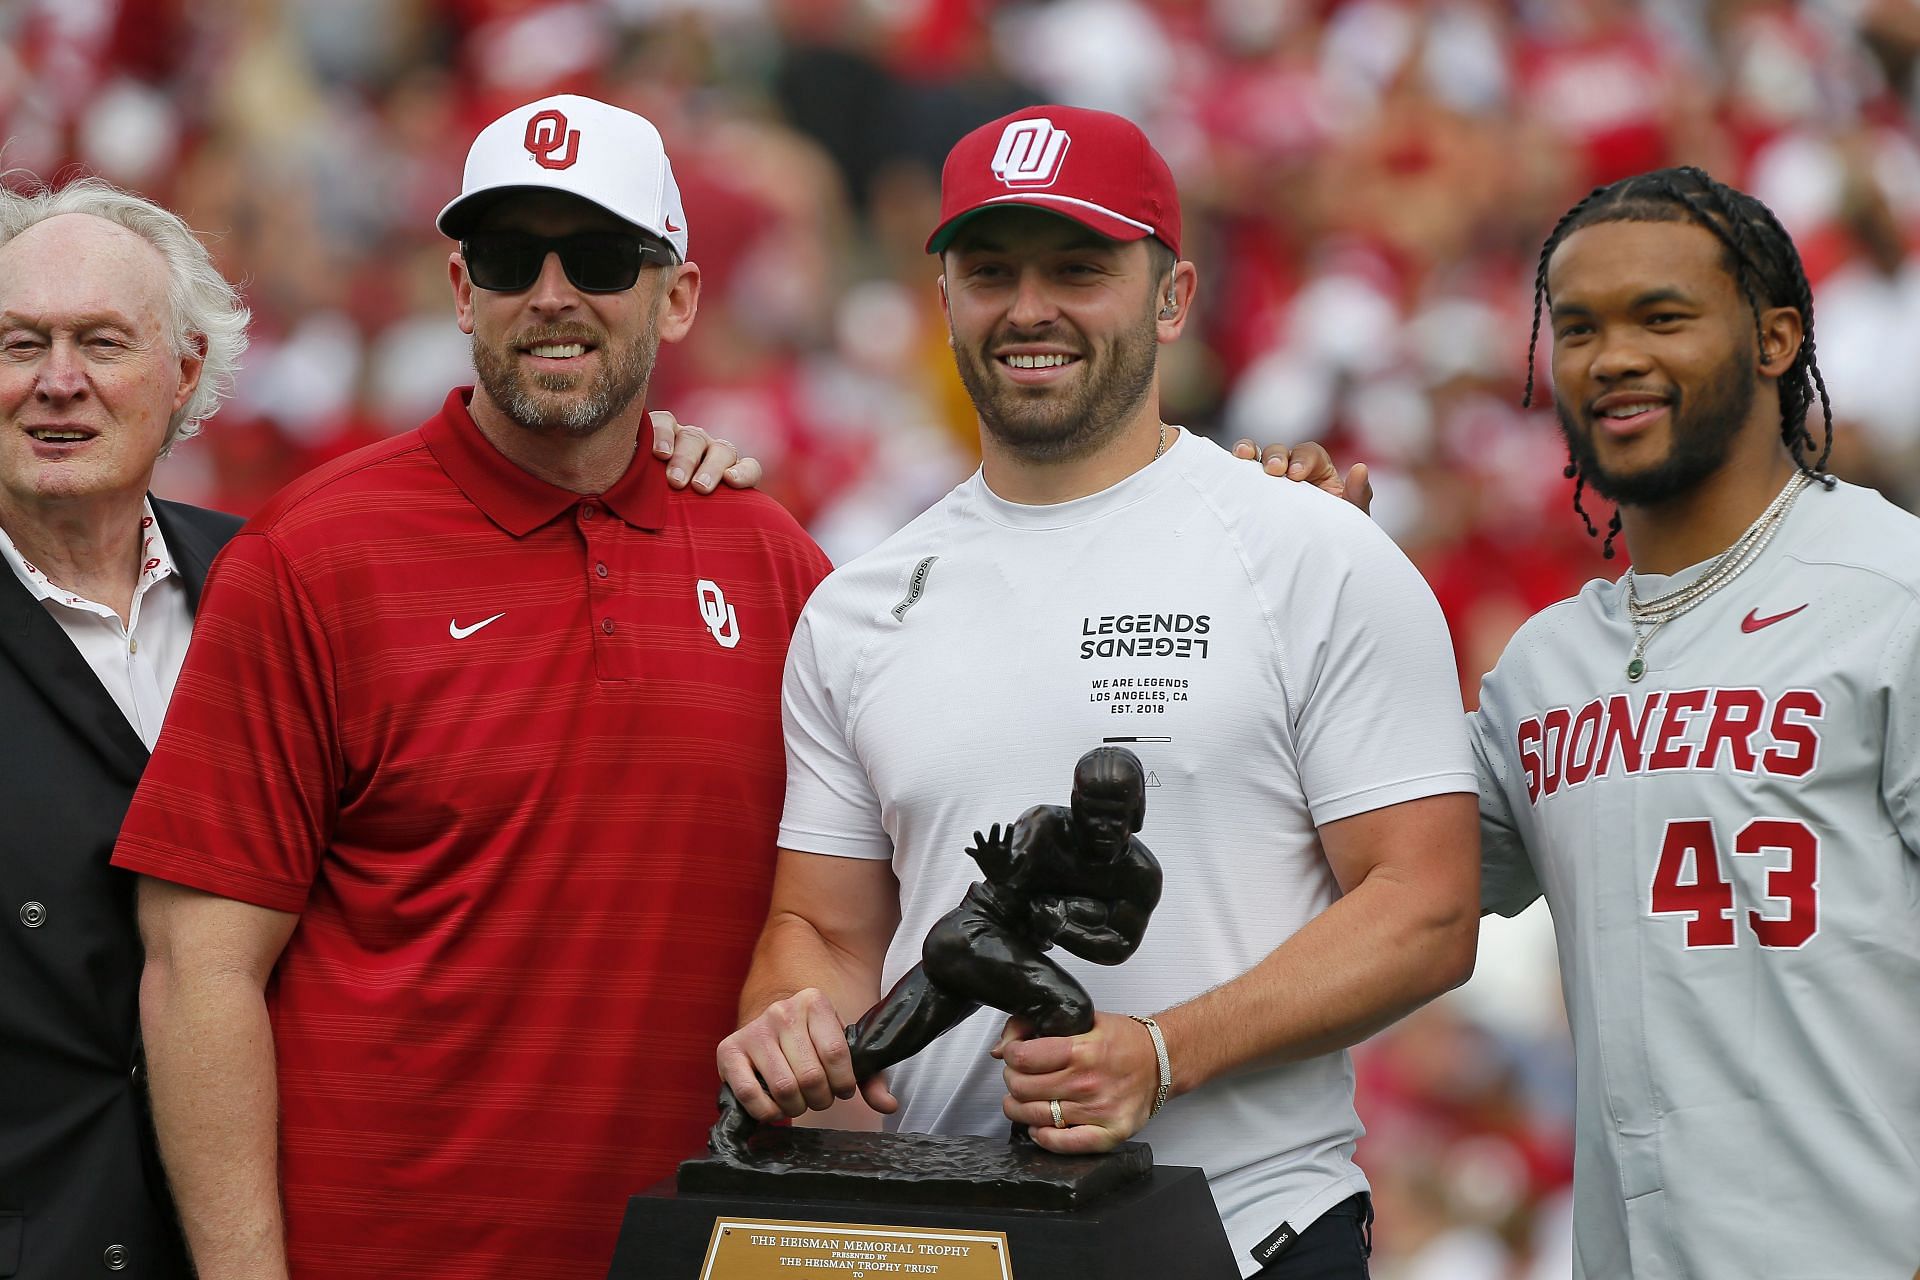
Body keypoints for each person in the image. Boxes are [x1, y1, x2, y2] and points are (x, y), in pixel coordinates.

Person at [716, 105, 1482, 1279]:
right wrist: (794, 1019)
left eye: (1080, 269)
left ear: (1172, 296)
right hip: (951, 1234)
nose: (1030, 308)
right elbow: (821, 926)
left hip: (1250, 1222)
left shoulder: (1310, 549)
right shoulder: (860, 600)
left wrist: (1166, 1052)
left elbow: (1427, 906)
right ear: (944, 299)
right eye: (991, 272)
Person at [109, 94, 830, 1280]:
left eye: (600, 256)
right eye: (508, 257)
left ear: (680, 296)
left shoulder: (772, 558)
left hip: (704, 1251)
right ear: (460, 290)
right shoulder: (311, 554)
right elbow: (200, 966)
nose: (551, 293)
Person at [1252, 166, 1920, 1279]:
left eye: (1663, 316)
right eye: (1578, 326)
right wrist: (1318, 592)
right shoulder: (1546, 668)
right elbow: (1376, 878)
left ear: (1774, 338)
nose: (1612, 356)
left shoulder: (1893, 592)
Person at [0, 175, 246, 1280]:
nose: (58, 382)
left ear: (186, 369)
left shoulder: (270, 582)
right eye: (18, 344)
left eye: (102, 341)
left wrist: (659, 454)